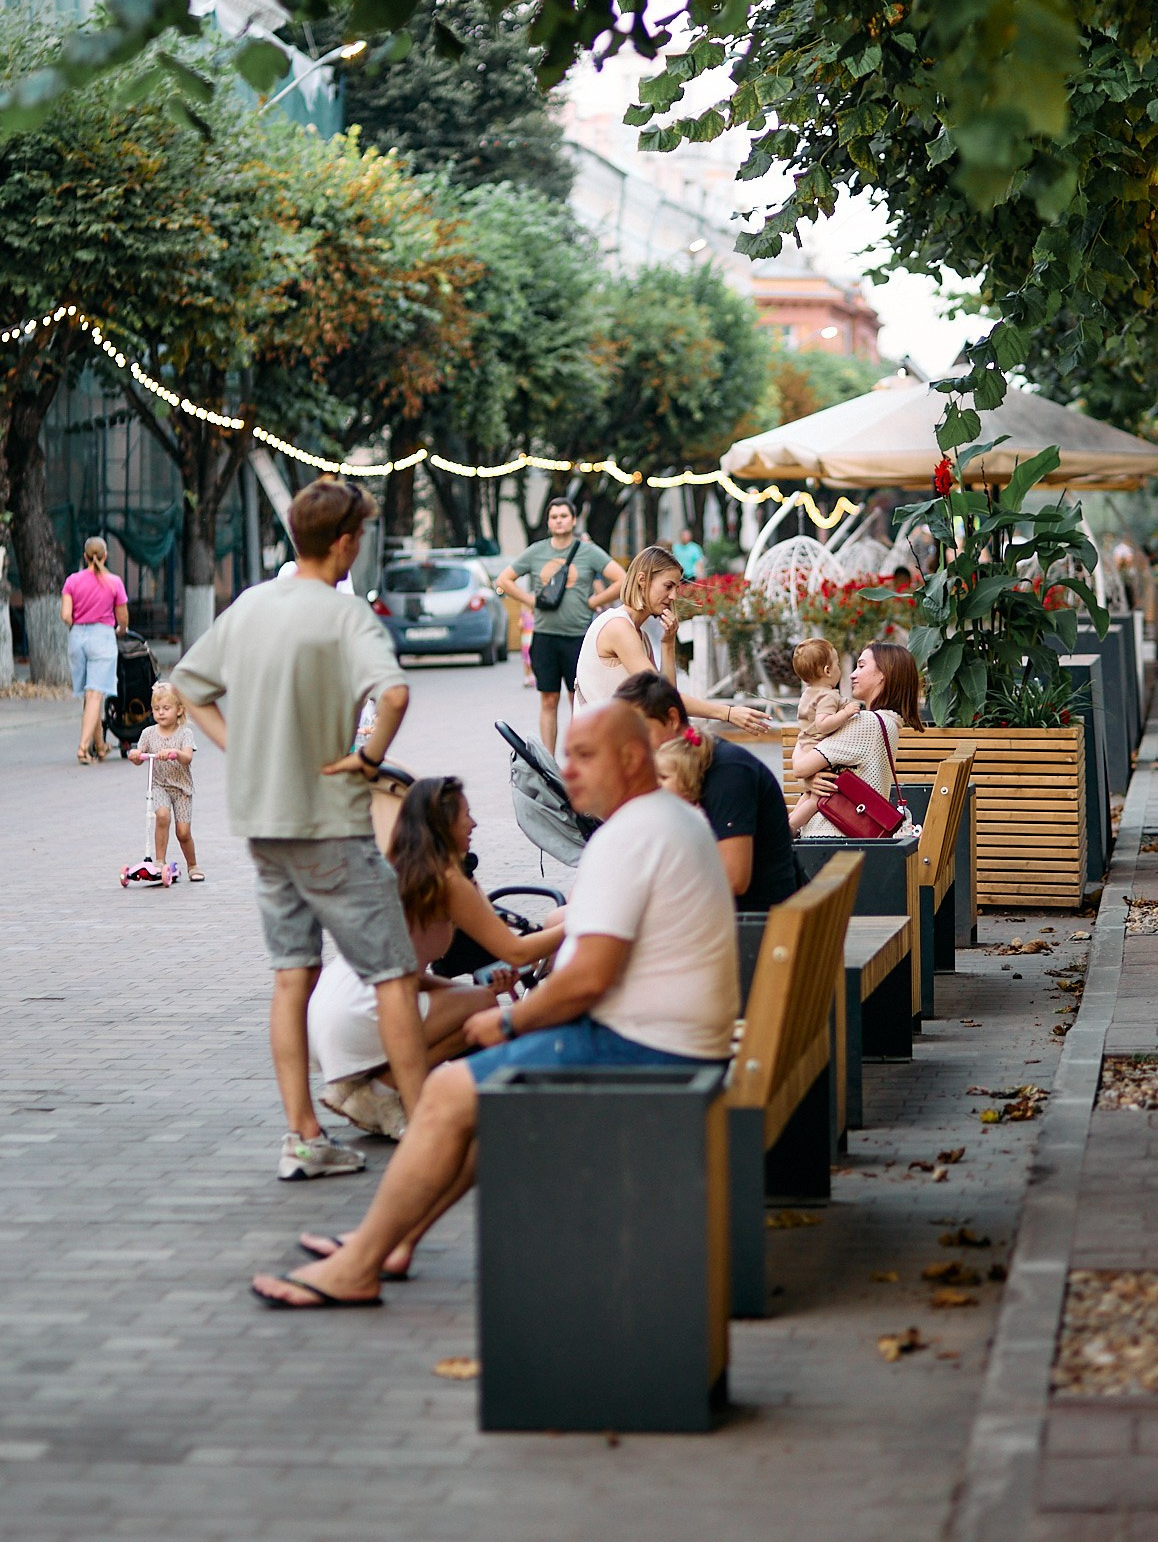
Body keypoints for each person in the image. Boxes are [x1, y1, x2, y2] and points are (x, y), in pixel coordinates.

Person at [250, 700, 740, 1309]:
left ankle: (361, 1262)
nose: (569, 772)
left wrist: (507, 1018)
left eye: (585, 757)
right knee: (480, 1096)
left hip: (652, 1049)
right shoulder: (672, 819)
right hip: (681, 1041)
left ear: (633, 758)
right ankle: (394, 1242)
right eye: (568, 757)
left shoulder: (629, 835)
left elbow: (587, 978)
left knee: (453, 1093)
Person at [174, 476, 430, 1183]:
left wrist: (240, 748)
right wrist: (369, 758)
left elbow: (190, 687)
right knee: (393, 975)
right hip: (331, 827)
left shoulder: (252, 605)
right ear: (345, 541)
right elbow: (397, 692)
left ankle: (302, 1137)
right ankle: (428, 1133)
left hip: (263, 825)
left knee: (291, 976)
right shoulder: (347, 616)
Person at [307, 775, 564, 1143]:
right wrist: (584, 923)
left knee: (478, 1000)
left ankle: (367, 1088)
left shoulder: (399, 867)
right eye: (466, 815)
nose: (474, 824)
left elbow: (406, 972)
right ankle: (379, 1092)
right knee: (479, 1008)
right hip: (361, 1009)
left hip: (334, 1002)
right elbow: (516, 951)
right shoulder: (446, 879)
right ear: (444, 824)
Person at [615, 671, 799, 910]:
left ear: (671, 719)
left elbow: (734, 880)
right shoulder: (677, 769)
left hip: (753, 923)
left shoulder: (727, 770)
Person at [575, 545, 769, 735]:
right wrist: (727, 713)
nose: (673, 596)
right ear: (642, 580)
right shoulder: (619, 627)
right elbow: (660, 696)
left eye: (676, 587)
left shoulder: (638, 634)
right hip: (600, 745)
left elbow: (666, 695)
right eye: (668, 586)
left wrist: (668, 644)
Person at [496, 498, 626, 756]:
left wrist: (594, 602)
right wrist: (530, 601)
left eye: (564, 516)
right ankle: (548, 762)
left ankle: (579, 757)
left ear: (574, 520)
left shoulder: (588, 552)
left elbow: (622, 578)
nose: (559, 520)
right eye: (554, 516)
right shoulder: (536, 551)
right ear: (548, 521)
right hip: (545, 636)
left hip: (579, 638)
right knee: (548, 699)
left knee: (576, 699)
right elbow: (504, 579)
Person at [790, 641, 924, 835]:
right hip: (846, 840)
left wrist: (807, 779)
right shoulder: (887, 722)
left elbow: (800, 766)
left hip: (831, 836)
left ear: (883, 674)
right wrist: (809, 781)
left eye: (861, 666)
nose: (852, 674)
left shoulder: (866, 723)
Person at [60, 535, 128, 765]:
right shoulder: (114, 582)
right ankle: (82, 748)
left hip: (77, 637)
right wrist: (120, 629)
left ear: (85, 556)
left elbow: (66, 616)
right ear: (105, 555)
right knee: (95, 693)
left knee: (90, 695)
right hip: (102, 636)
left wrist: (79, 626)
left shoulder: (72, 581)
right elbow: (123, 617)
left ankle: (99, 746)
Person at [129, 679, 201, 882]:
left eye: (166, 708)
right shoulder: (148, 734)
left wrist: (174, 752)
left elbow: (187, 757)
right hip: (159, 785)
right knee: (161, 816)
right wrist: (135, 755)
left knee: (183, 832)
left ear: (179, 710)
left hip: (182, 789)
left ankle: (193, 865)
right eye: (156, 708)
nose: (160, 713)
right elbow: (139, 755)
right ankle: (159, 862)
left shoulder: (185, 734)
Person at [788, 637, 862, 834]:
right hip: (816, 748)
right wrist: (845, 713)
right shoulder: (828, 695)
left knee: (810, 792)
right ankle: (792, 827)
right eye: (837, 664)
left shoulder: (809, 693)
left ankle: (791, 820)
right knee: (816, 798)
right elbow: (823, 724)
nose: (840, 668)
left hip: (804, 747)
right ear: (828, 671)